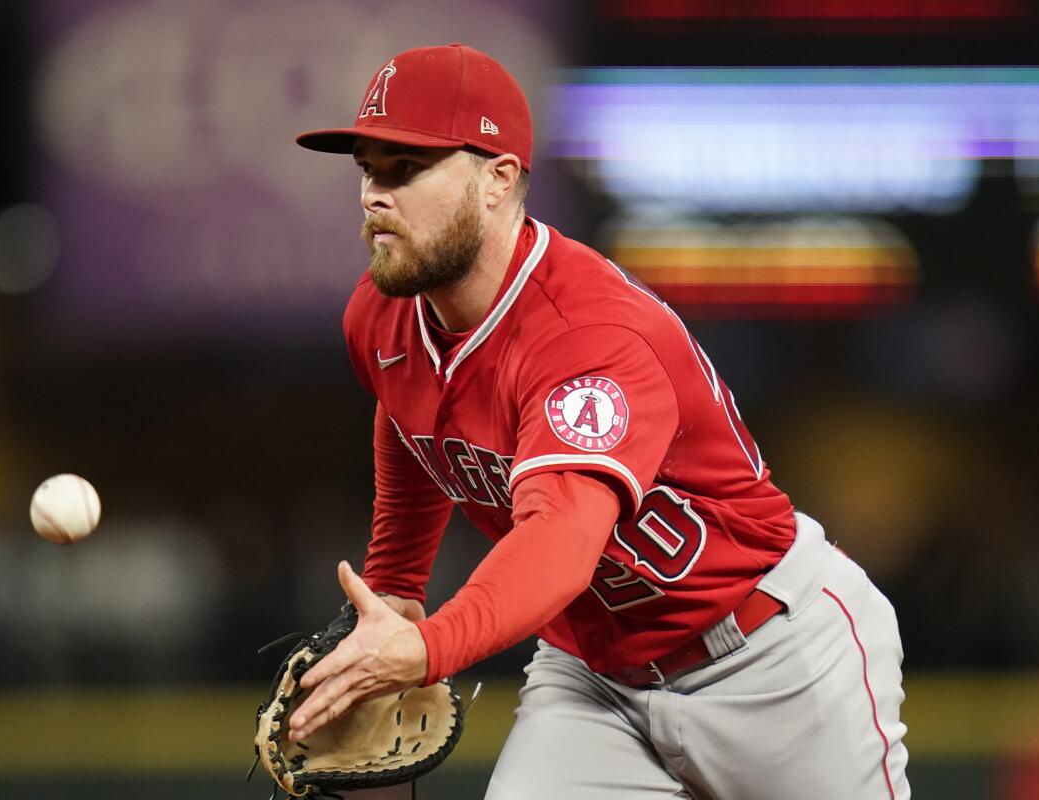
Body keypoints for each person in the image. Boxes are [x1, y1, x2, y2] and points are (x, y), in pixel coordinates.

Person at [286, 43, 910, 799]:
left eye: (406, 169)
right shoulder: (381, 317)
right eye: (368, 168)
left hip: (769, 657)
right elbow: (410, 417)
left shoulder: (585, 336)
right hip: (594, 679)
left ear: (499, 179)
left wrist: (428, 648)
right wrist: (395, 586)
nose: (374, 195)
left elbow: (560, 538)